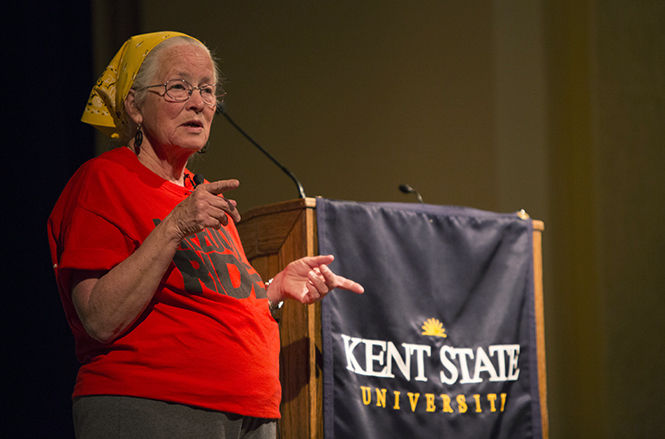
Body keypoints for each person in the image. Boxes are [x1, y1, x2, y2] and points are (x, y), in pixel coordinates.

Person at [47, 31, 364, 439]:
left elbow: (203, 301)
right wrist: (175, 226)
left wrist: (273, 290)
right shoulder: (105, 180)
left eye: (208, 90)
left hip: (250, 411)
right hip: (155, 405)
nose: (198, 102)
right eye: (178, 87)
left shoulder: (202, 194)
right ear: (134, 106)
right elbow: (99, 318)